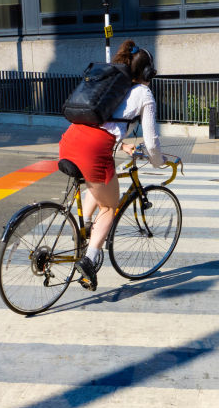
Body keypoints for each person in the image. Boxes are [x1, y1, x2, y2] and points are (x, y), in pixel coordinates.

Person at [58, 39, 165, 291]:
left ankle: (83, 230)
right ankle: (89, 258)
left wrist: (123, 146)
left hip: (70, 139)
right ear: (148, 73)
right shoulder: (144, 94)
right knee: (109, 205)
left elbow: (103, 123)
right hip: (94, 151)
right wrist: (158, 161)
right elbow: (151, 143)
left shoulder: (113, 84)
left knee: (99, 184)